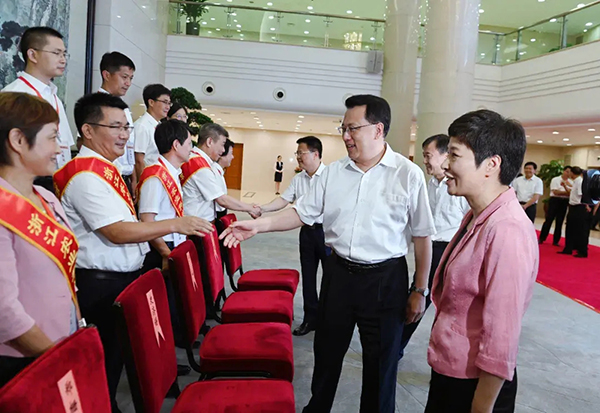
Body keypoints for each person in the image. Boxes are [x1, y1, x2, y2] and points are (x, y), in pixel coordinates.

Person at [221, 94, 435, 413]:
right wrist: (260, 226)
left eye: (352, 128)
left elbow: (422, 235)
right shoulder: (333, 173)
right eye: (343, 128)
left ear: (378, 130)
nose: (345, 136)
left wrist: (420, 288)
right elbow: (302, 213)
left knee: (381, 364)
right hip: (339, 275)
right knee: (327, 353)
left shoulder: (407, 174)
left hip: (385, 281)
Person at [53, 92, 212, 412]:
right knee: (103, 369)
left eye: (127, 126)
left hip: (119, 278)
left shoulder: (104, 169)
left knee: (115, 361)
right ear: (87, 130)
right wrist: (175, 225)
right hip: (100, 282)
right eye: (115, 127)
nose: (125, 134)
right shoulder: (84, 174)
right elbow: (117, 231)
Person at [425, 110, 538, 413]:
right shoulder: (478, 214)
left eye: (454, 155)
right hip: (454, 371)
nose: (445, 165)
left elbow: (502, 334)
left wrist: (481, 406)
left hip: (475, 388)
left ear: (491, 165)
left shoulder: (507, 230)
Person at [0, 92, 80, 387]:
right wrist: (55, 357)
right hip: (22, 358)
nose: (59, 148)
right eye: (51, 138)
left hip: (60, 337)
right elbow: (4, 311)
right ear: (18, 140)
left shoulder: (47, 198)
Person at [398, 134, 469, 360]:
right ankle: (396, 347)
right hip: (430, 250)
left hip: (452, 251)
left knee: (451, 310)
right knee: (416, 299)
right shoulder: (427, 183)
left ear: (445, 155)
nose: (425, 161)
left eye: (428, 156)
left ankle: (448, 357)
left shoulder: (459, 185)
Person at [260, 136, 328, 336]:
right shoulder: (299, 179)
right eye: (297, 153)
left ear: (315, 154)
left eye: (301, 153)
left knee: (330, 280)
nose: (298, 157)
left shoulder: (329, 176)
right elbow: (283, 200)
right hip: (307, 232)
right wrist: (262, 208)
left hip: (328, 234)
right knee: (308, 276)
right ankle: (310, 318)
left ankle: (326, 320)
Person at [1, 27, 75, 192]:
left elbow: (66, 144)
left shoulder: (53, 95)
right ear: (33, 55)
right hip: (27, 183)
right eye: (56, 53)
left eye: (64, 54)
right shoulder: (15, 95)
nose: (63, 60)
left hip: (57, 180)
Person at [181, 123, 260, 223]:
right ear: (209, 142)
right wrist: (250, 208)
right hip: (197, 224)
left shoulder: (193, 158)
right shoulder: (200, 166)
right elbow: (222, 200)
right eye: (222, 144)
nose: (223, 150)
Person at [96, 51, 137, 197]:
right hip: (107, 177)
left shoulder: (123, 107)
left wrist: (133, 178)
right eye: (124, 77)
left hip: (124, 178)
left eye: (131, 78)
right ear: (107, 75)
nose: (128, 83)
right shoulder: (96, 106)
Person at [134, 84, 171, 180]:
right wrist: (142, 183)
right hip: (149, 178)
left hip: (159, 176)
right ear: (151, 102)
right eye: (165, 102)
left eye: (169, 103)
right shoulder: (142, 126)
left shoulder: (159, 125)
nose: (168, 107)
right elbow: (139, 160)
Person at [559, 166, 591, 258]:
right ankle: (569, 248)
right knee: (570, 229)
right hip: (573, 207)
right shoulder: (576, 182)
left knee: (580, 230)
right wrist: (565, 185)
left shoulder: (580, 182)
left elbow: (583, 195)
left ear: (572, 173)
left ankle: (582, 251)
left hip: (579, 207)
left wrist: (586, 205)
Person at [538, 165, 572, 246]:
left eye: (570, 172)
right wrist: (567, 192)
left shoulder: (571, 182)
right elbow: (555, 192)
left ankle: (556, 240)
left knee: (560, 221)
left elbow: (572, 193)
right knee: (549, 219)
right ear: (563, 171)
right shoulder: (555, 179)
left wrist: (567, 192)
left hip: (564, 202)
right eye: (567, 171)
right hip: (555, 200)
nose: (568, 173)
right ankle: (542, 238)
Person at [215, 138, 235, 220]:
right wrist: (249, 208)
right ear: (222, 155)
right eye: (231, 153)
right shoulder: (214, 173)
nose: (233, 157)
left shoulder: (219, 172)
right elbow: (222, 201)